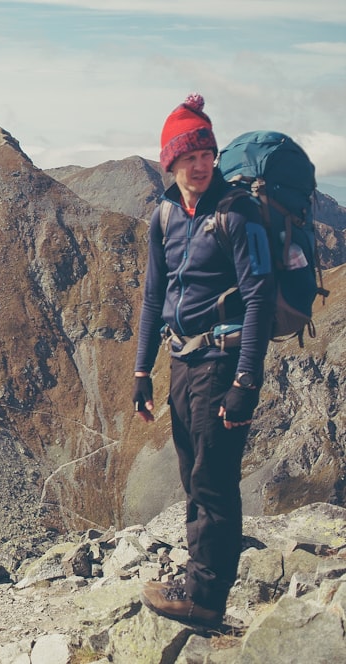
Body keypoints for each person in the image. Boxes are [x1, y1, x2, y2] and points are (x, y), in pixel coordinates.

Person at [132, 94, 276, 629]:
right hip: (181, 363)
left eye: (207, 153)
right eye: (189, 156)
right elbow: (153, 295)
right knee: (194, 478)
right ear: (170, 161)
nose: (200, 164)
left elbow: (259, 296)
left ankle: (206, 601)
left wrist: (246, 381)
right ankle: (197, 579)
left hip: (223, 361)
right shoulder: (166, 213)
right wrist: (142, 371)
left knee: (214, 480)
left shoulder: (238, 213)